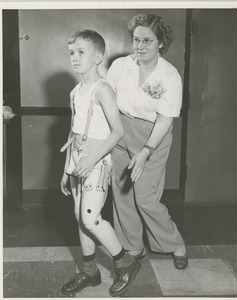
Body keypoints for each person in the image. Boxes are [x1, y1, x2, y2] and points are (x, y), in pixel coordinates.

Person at [60, 30, 141, 297]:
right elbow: (73, 133)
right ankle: (90, 272)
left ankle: (125, 263)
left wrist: (93, 158)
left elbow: (117, 131)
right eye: (72, 52)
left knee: (90, 218)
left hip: (96, 160)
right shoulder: (75, 91)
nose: (74, 57)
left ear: (98, 56)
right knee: (79, 218)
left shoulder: (102, 89)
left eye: (81, 52)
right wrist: (66, 169)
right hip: (77, 161)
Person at [107, 14, 188, 270]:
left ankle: (175, 243)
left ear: (161, 43)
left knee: (146, 199)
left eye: (147, 41)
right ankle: (133, 246)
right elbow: (107, 103)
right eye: (136, 40)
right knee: (122, 196)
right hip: (121, 131)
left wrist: (145, 151)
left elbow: (165, 120)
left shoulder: (170, 76)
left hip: (154, 136)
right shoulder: (120, 66)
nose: (140, 46)